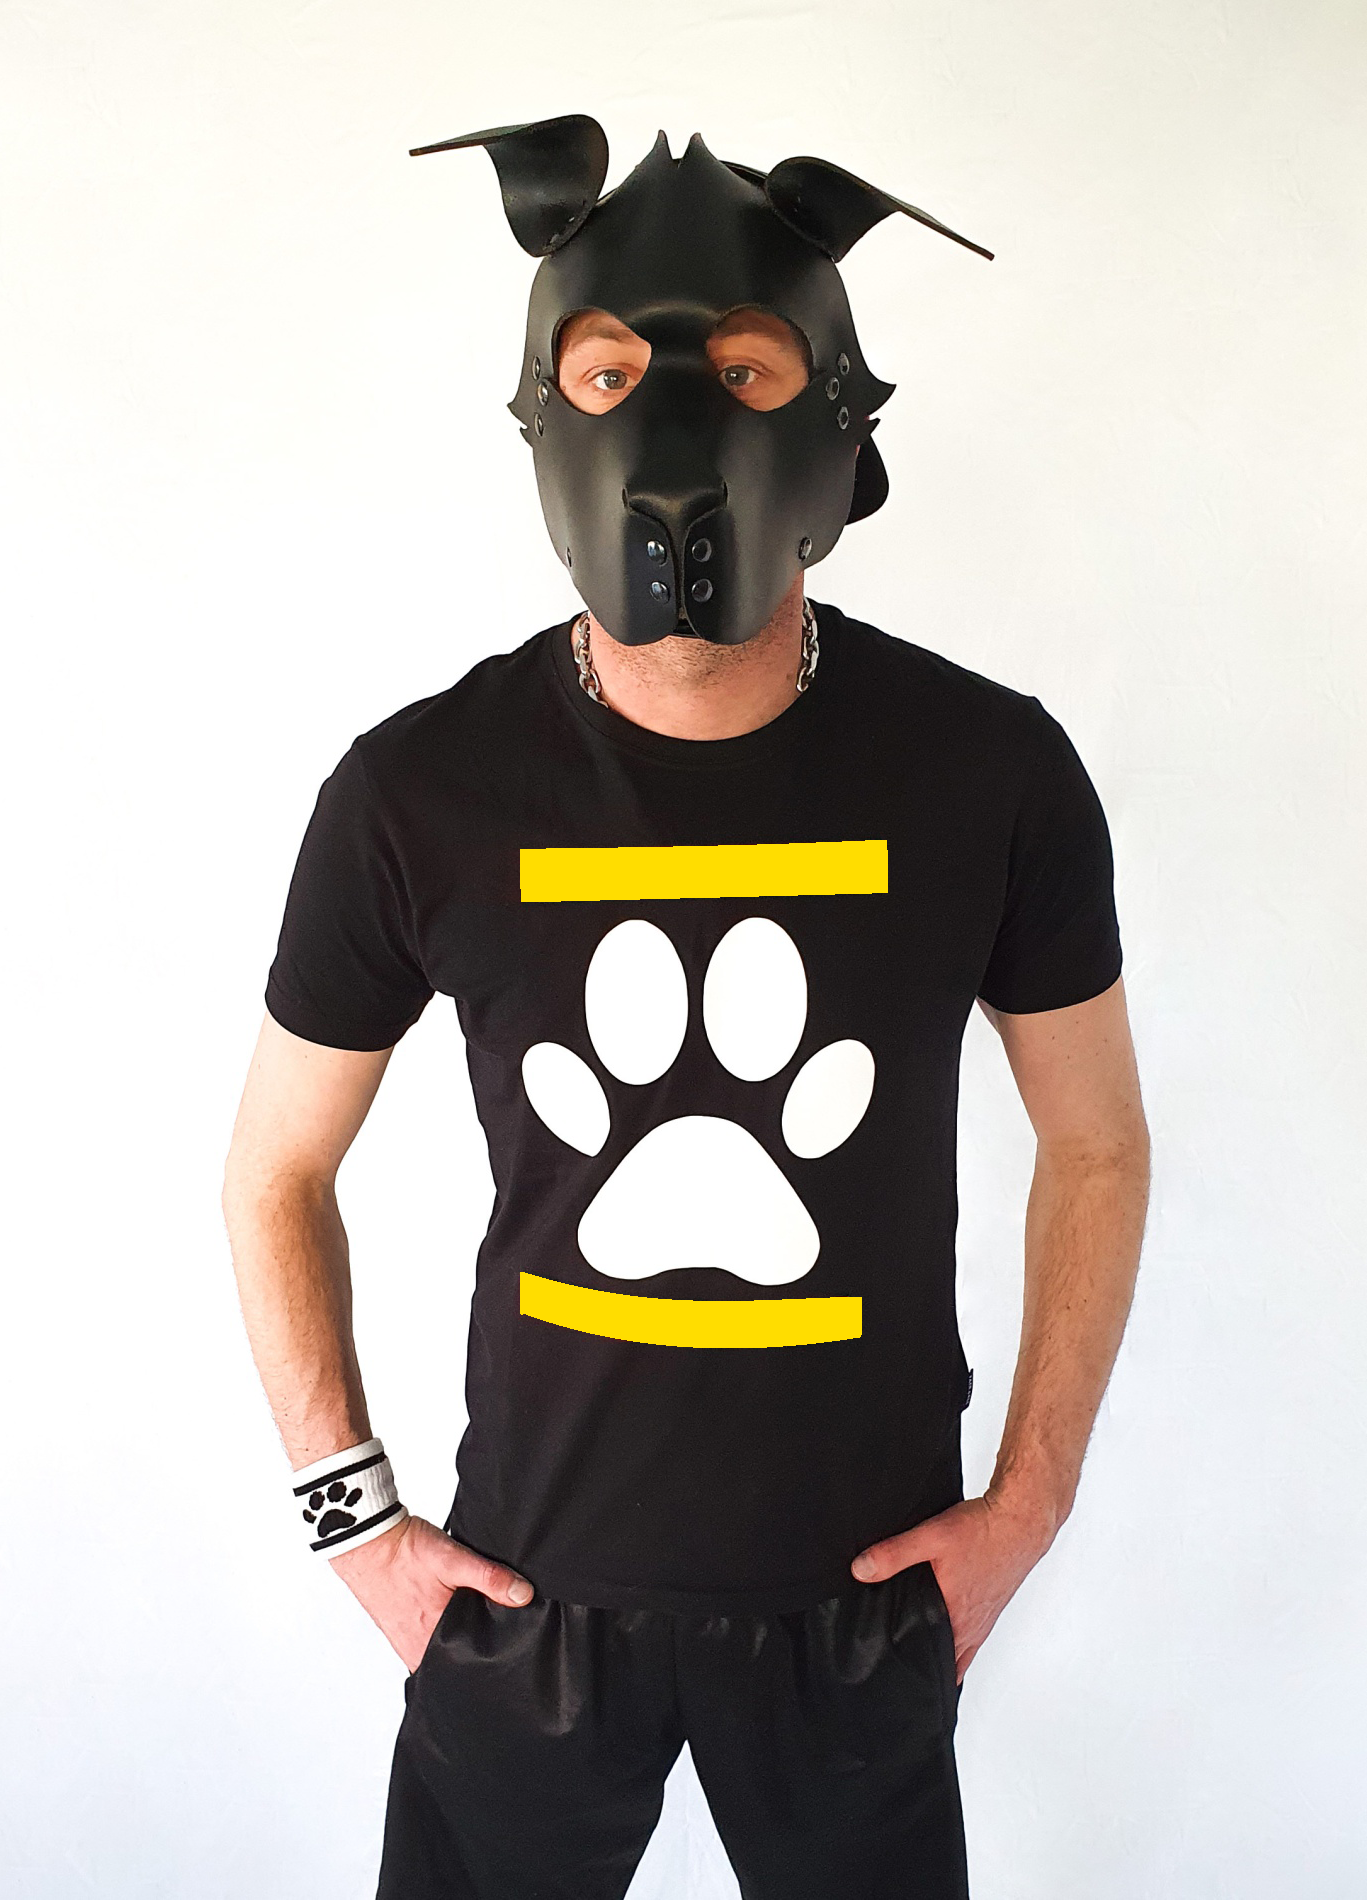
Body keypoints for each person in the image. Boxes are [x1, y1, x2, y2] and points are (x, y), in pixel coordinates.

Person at [223, 116, 1151, 1900]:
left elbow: (1097, 1143)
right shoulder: (418, 791)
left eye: (741, 368)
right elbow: (273, 1167)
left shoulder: (992, 773)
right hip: (523, 1599)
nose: (671, 424)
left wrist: (1027, 1507)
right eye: (609, 370)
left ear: (836, 421)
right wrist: (360, 1534)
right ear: (545, 413)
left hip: (869, 1600)